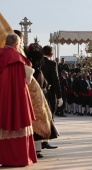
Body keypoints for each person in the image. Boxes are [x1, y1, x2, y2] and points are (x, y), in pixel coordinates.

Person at [0, 33, 37, 166]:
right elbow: (28, 80)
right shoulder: (20, 58)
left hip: (2, 98)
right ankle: (19, 158)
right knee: (18, 118)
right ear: (16, 45)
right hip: (17, 96)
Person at [41, 45, 63, 117]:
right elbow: (55, 80)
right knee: (49, 116)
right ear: (51, 54)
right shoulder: (52, 64)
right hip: (49, 93)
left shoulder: (36, 62)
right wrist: (59, 96)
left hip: (37, 92)